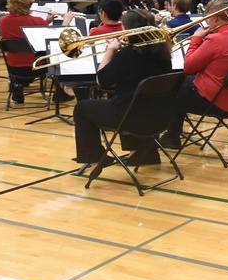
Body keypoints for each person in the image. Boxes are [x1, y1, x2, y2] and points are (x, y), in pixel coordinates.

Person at [71, 10, 173, 166]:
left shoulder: (127, 54)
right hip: (160, 117)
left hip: (133, 119)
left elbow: (101, 80)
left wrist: (110, 51)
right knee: (126, 97)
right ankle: (144, 154)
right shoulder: (163, 53)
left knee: (81, 109)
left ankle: (96, 159)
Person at [160, 0, 228, 148]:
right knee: (182, 84)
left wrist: (196, 39)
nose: (207, 23)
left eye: (208, 18)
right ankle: (173, 133)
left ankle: (171, 136)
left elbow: (188, 67)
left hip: (215, 101)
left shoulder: (215, 40)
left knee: (170, 90)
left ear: (215, 18)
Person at [0, 0, 73, 104]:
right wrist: (65, 23)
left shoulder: (3, 21)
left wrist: (46, 22)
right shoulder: (37, 21)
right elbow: (57, 39)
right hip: (37, 67)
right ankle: (59, 93)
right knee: (57, 54)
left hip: (14, 67)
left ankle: (18, 84)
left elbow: (20, 30)